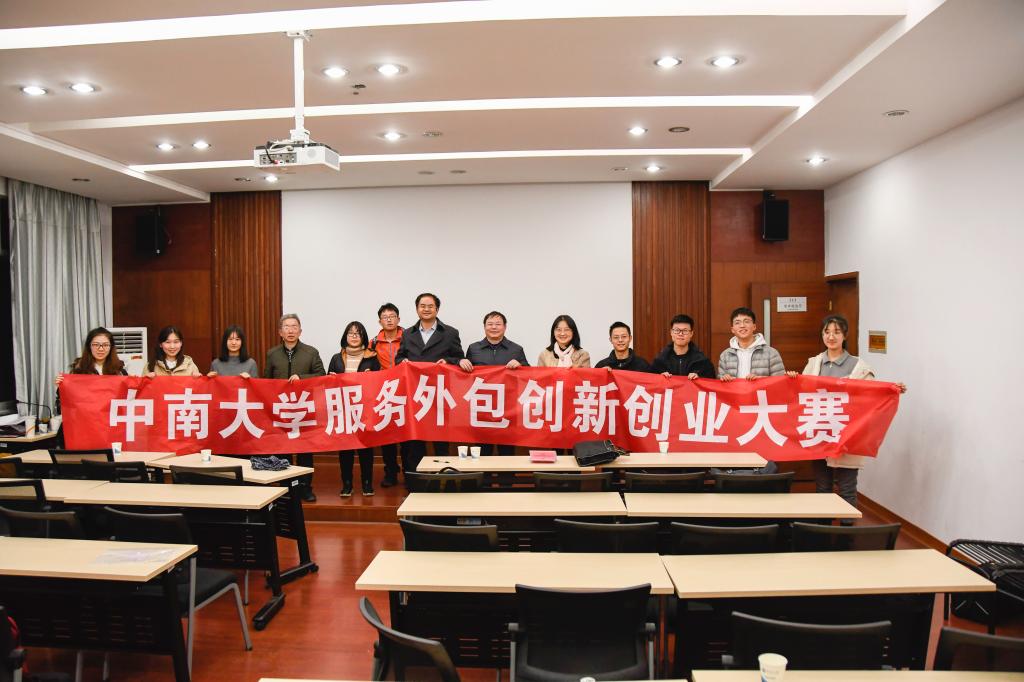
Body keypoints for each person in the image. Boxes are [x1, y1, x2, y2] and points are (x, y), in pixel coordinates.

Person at [789, 314, 908, 518]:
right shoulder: (814, 363)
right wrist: (792, 380)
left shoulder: (858, 366)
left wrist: (890, 389)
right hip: (820, 432)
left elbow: (871, 395)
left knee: (847, 487)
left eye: (836, 332)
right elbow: (801, 394)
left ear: (845, 335)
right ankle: (822, 527)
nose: (831, 337)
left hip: (847, 434)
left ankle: (846, 530)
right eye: (827, 332)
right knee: (822, 486)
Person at [394, 293, 464, 475]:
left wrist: (447, 361)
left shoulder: (450, 333)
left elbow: (459, 358)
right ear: (417, 309)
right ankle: (416, 480)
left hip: (440, 394)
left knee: (441, 440)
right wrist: (402, 362)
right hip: (415, 394)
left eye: (430, 306)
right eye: (422, 306)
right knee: (415, 441)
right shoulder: (407, 333)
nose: (426, 309)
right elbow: (399, 358)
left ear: (437, 309)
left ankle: (444, 479)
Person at [264, 314, 326, 502]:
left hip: (304, 409)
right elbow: (266, 381)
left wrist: (302, 378)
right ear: (280, 332)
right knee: (283, 450)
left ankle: (305, 488)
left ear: (300, 331)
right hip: (281, 410)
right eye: (286, 327)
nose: (290, 330)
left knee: (305, 450)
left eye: (294, 326)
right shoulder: (272, 354)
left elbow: (321, 376)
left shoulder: (311, 352)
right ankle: (286, 487)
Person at [459, 310, 529, 455]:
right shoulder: (474, 348)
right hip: (481, 408)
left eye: (498, 324)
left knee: (507, 452)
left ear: (505, 327)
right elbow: (465, 377)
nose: (494, 327)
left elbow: (529, 375)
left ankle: (507, 471)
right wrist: (461, 362)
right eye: (490, 324)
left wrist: (521, 365)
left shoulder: (516, 349)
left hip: (508, 409)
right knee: (482, 452)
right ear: (484, 327)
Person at [328, 321, 380, 497]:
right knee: (345, 450)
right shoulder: (336, 358)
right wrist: (331, 378)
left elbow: (380, 382)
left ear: (363, 337)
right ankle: (347, 484)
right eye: (351, 333)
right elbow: (327, 383)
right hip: (343, 410)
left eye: (358, 333)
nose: (354, 336)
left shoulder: (372, 357)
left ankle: (367, 483)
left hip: (365, 410)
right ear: (345, 336)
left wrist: (371, 377)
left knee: (366, 448)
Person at [370, 303, 404, 488]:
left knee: (407, 435)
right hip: (385, 393)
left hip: (406, 391)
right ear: (380, 321)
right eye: (385, 317)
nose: (389, 320)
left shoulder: (409, 338)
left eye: (392, 316)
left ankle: (409, 472)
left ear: (398, 319)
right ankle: (390, 471)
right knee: (387, 434)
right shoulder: (374, 342)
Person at [717, 307, 785, 381]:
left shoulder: (771, 353)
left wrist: (760, 380)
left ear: (754, 327)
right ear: (732, 329)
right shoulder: (725, 355)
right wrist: (724, 379)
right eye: (737, 323)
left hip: (761, 389)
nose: (742, 325)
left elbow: (779, 381)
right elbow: (720, 383)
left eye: (746, 321)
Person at [651, 314, 716, 379]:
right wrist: (659, 378)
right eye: (677, 330)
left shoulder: (702, 361)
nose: (680, 334)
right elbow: (651, 381)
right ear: (671, 332)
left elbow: (711, 381)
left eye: (685, 331)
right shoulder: (660, 361)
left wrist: (700, 378)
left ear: (691, 333)